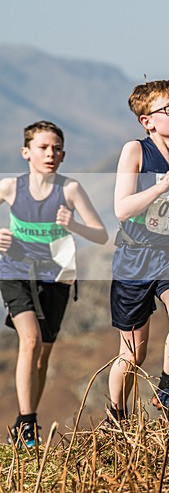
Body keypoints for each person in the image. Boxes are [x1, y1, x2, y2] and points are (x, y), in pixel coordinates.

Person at [0, 121, 108, 447]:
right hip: (16, 272)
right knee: (29, 341)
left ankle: (26, 419)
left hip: (57, 276)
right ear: (26, 152)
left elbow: (100, 234)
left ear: (63, 155)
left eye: (57, 149)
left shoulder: (70, 189)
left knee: (43, 356)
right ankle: (28, 422)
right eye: (44, 148)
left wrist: (72, 223)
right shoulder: (9, 187)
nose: (51, 153)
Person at [107, 80, 169, 430]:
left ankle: (167, 390)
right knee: (132, 356)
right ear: (147, 120)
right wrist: (161, 187)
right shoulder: (135, 150)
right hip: (135, 256)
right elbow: (121, 208)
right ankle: (116, 418)